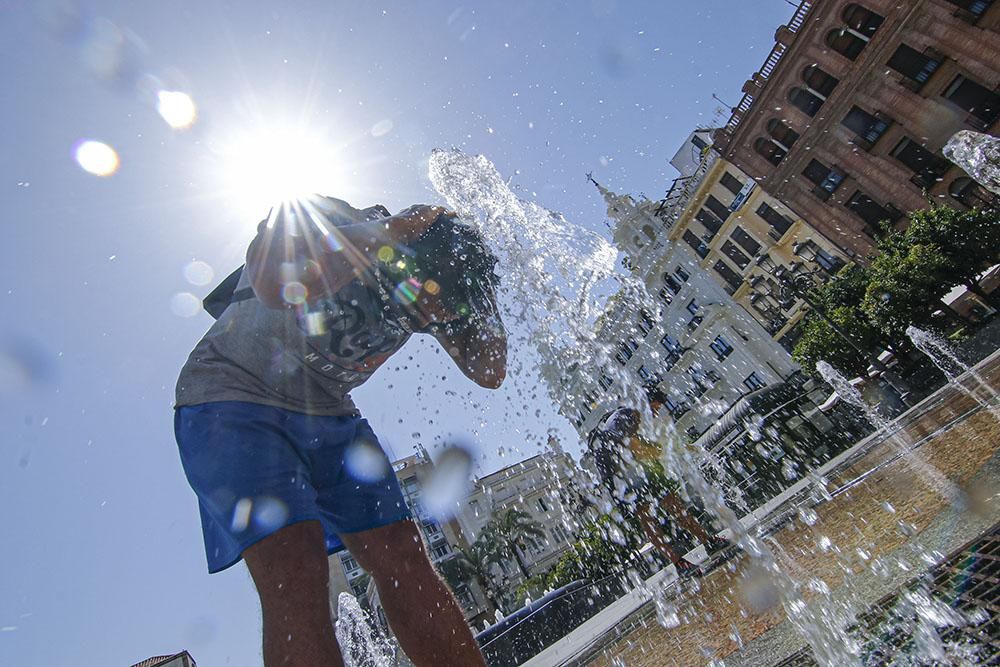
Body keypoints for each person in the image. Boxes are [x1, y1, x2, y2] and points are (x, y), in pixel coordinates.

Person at [173, 195, 505, 667]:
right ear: (411, 263)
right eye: (433, 305)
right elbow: (272, 283)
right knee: (298, 570)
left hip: (328, 409)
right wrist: (399, 228)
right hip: (232, 396)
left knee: (403, 556)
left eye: (446, 314)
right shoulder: (329, 220)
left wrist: (480, 294)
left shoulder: (431, 290)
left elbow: (489, 370)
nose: (434, 320)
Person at [587, 384, 730, 577]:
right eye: (654, 409)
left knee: (672, 502)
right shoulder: (625, 416)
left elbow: (642, 448)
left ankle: (708, 542)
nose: (655, 414)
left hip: (632, 470)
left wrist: (681, 448)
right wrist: (668, 451)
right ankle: (679, 563)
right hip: (621, 478)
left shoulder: (629, 417)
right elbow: (636, 450)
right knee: (647, 517)